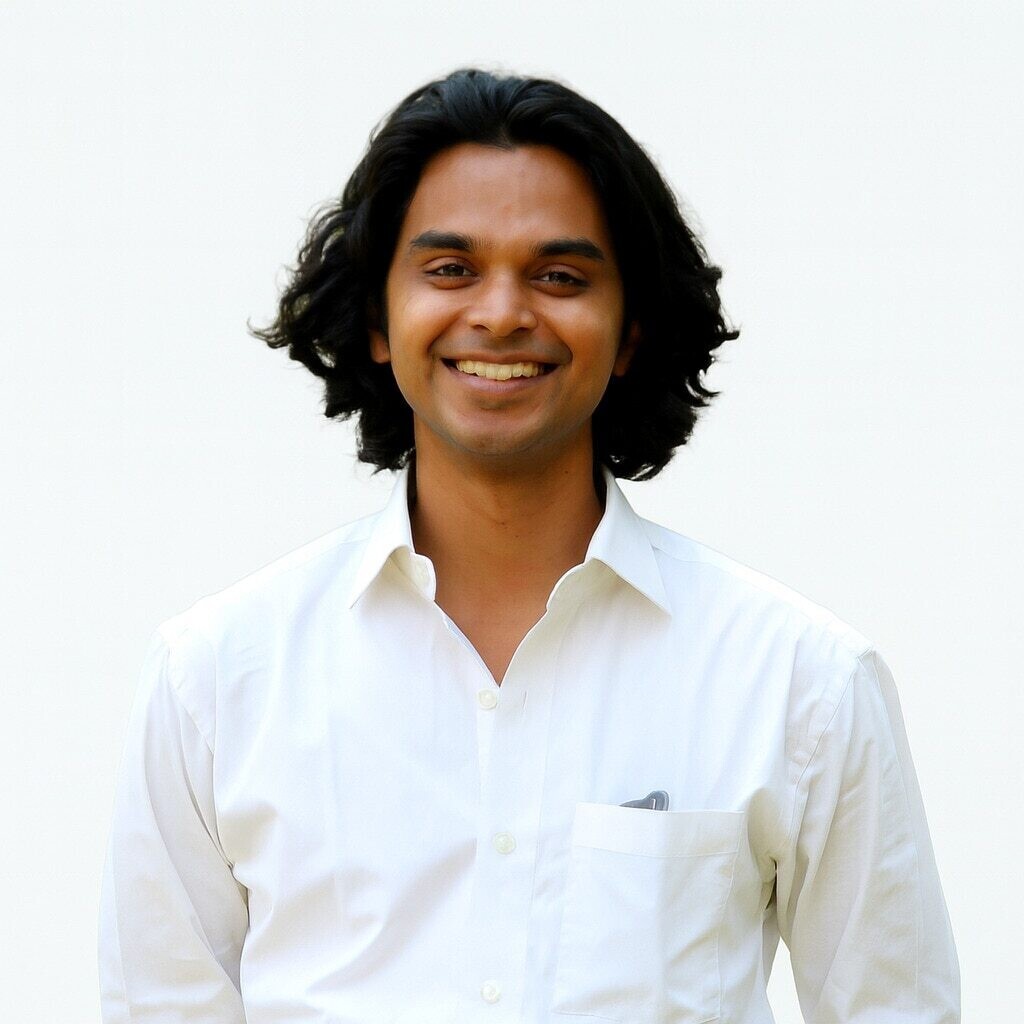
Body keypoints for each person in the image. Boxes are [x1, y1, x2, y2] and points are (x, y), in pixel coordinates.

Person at [99, 68, 960, 1023]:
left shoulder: (802, 681)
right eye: (449, 269)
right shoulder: (215, 681)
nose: (502, 313)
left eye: (560, 276)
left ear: (630, 331)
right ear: (377, 320)